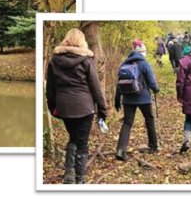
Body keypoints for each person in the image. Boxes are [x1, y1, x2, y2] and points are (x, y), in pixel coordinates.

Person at [46, 28, 108, 184]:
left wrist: (53, 107)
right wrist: (102, 110)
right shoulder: (87, 60)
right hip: (84, 107)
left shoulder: (54, 61)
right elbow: (96, 87)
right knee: (82, 142)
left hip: (64, 107)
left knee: (73, 138)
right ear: (82, 41)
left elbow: (50, 89)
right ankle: (80, 179)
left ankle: (68, 174)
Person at [114, 40, 160, 160]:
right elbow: (151, 81)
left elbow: (119, 84)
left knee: (127, 123)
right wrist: (155, 89)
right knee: (149, 120)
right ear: (141, 53)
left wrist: (117, 99)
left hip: (128, 99)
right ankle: (153, 146)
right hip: (144, 98)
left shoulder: (124, 64)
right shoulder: (144, 64)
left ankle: (120, 149)